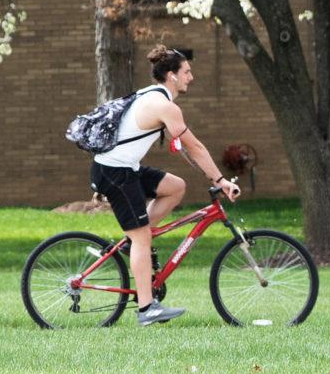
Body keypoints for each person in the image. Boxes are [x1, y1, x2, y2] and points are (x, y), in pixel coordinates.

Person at [92, 46, 241, 326]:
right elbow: (194, 147)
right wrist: (220, 181)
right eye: (187, 72)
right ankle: (147, 308)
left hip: (124, 167)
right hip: (115, 172)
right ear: (171, 76)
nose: (191, 77)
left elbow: (185, 149)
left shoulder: (152, 94)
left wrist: (211, 176)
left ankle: (133, 241)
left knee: (175, 187)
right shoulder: (164, 106)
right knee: (141, 237)